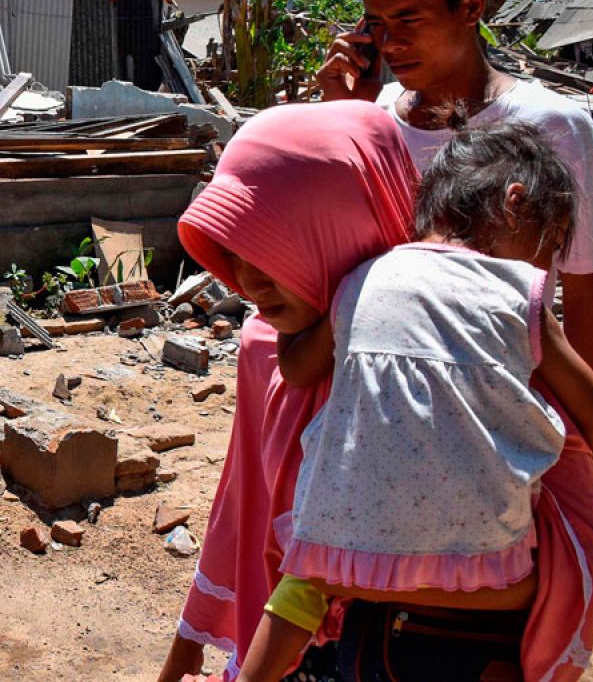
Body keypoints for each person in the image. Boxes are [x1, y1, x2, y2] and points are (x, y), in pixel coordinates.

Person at [238, 123, 593, 681]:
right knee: (581, 564)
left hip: (339, 564)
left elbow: (296, 371)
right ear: (516, 203)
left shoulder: (362, 281)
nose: (545, 270)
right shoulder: (521, 293)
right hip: (489, 580)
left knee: (304, 571)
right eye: (549, 245)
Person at [317, 0, 593, 514]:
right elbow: (328, 274)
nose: (391, 42)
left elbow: (589, 292)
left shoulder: (552, 125)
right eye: (377, 24)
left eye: (409, 19)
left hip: (507, 428)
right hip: (374, 419)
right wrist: (340, 123)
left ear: (472, 6)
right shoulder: (369, 116)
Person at [156, 100, 418, 682]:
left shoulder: (409, 367)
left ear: (343, 226)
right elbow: (242, 500)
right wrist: (188, 643)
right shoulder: (263, 345)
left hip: (381, 646)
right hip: (285, 640)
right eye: (237, 252)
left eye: (272, 250)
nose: (246, 281)